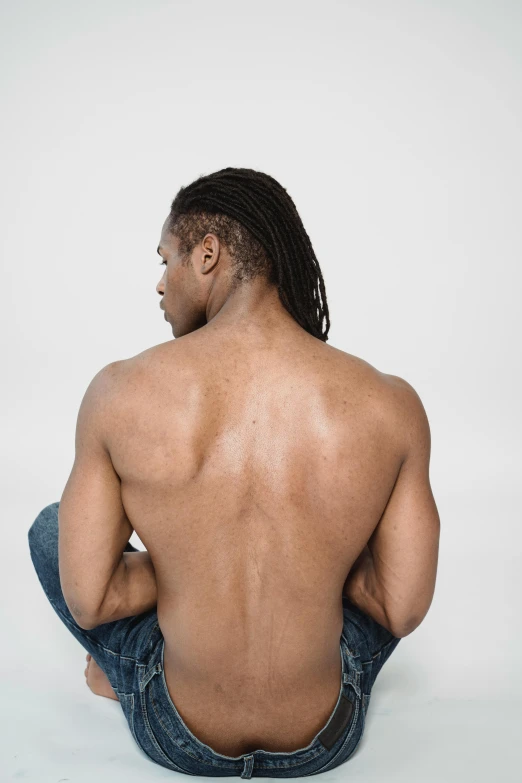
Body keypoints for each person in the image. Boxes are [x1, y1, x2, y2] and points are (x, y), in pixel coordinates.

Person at [28, 167, 440, 778]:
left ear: (208, 254)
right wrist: (312, 568)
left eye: (166, 259)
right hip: (324, 737)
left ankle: (125, 676)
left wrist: (184, 568)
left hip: (180, 733)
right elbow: (401, 608)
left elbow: (92, 600)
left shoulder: (117, 393)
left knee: (51, 529)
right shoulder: (389, 402)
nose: (159, 284)